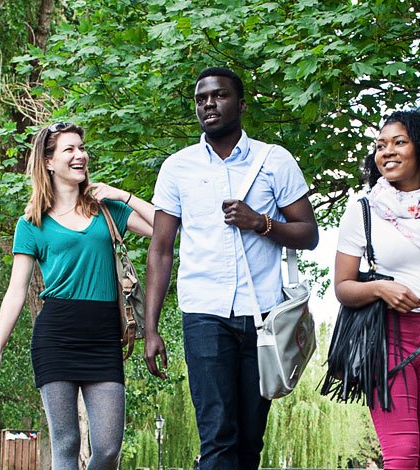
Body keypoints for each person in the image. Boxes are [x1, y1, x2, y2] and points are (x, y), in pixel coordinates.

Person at [142, 67, 319, 470]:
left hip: (263, 318)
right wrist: (151, 328)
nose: (208, 104)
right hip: (204, 314)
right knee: (218, 436)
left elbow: (309, 234)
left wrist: (261, 222)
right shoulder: (177, 167)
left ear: (240, 104)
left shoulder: (275, 161)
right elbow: (161, 250)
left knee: (250, 440)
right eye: (201, 98)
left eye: (219, 96)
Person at [0, 122, 157, 470]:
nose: (80, 155)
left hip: (103, 337)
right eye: (69, 150)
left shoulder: (107, 210)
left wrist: (123, 195)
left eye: (81, 148)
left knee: (107, 447)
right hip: (56, 337)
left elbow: (164, 230)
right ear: (48, 162)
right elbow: (16, 292)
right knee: (66, 443)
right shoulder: (32, 223)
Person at [334, 109, 420, 470]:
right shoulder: (364, 211)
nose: (387, 152)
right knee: (403, 455)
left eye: (399, 142)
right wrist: (382, 288)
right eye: (380, 145)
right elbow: (343, 287)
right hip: (387, 337)